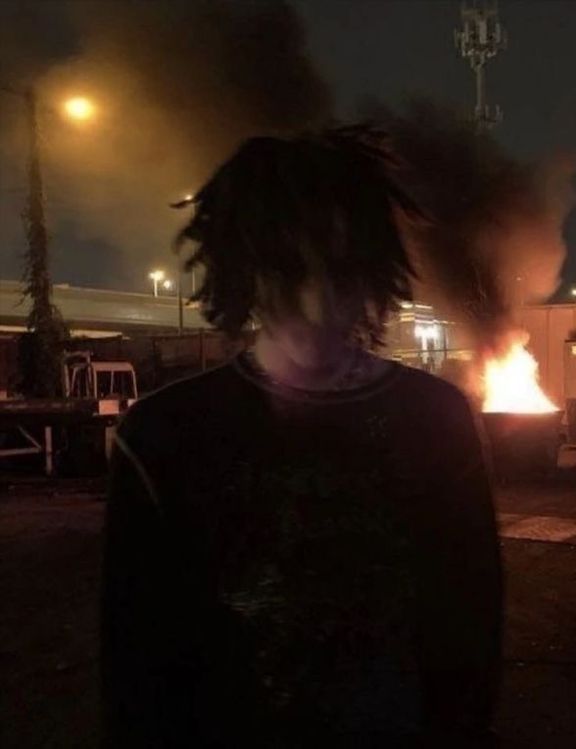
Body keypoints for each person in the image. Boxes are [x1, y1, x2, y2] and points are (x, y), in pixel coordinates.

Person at [101, 125, 503, 748]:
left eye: (339, 263)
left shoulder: (436, 420)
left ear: (371, 265)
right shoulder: (162, 436)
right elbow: (136, 651)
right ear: (246, 267)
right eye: (292, 264)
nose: (316, 295)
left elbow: (468, 620)